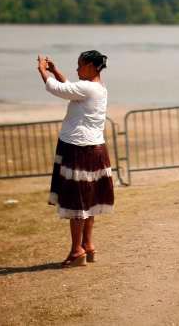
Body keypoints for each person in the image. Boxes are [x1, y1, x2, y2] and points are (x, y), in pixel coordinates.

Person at [37, 49, 114, 267]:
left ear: (91, 67)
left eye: (80, 65)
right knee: (89, 201)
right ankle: (88, 245)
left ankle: (76, 250)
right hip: (95, 148)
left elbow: (57, 88)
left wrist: (42, 71)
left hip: (78, 148)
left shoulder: (87, 87)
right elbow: (70, 88)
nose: (77, 68)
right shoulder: (97, 87)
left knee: (76, 201)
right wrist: (55, 70)